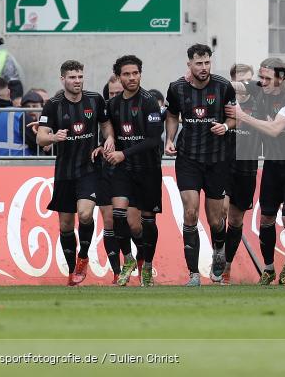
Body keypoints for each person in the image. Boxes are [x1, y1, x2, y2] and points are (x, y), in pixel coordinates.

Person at [231, 58, 285, 286]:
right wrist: (202, 78)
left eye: (267, 78)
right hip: (273, 164)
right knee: (266, 217)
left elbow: (275, 128)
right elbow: (234, 85)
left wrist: (244, 116)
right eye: (261, 77)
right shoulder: (260, 89)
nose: (263, 82)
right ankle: (267, 268)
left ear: (281, 77)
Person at [165, 44, 236, 287]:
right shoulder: (177, 88)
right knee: (191, 212)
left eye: (207, 63)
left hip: (217, 160)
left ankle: (219, 249)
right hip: (188, 159)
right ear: (189, 64)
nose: (204, 68)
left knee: (217, 220)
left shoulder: (223, 86)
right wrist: (170, 139)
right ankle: (193, 273)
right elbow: (173, 115)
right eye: (199, 63)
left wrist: (225, 127)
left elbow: (233, 116)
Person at [35, 60, 112, 286]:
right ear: (63, 79)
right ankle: (72, 272)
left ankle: (83, 257)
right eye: (72, 77)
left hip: (89, 168)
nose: (77, 81)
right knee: (66, 225)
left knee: (86, 214)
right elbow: (41, 137)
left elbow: (106, 124)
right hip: (65, 171)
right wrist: (53, 137)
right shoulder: (53, 105)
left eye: (79, 77)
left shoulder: (94, 99)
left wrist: (109, 138)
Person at [104, 55, 164, 287]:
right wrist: (107, 140)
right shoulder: (113, 104)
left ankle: (147, 265)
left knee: (147, 221)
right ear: (119, 77)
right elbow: (106, 127)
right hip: (124, 169)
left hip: (148, 169)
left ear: (140, 74)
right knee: (117, 215)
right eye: (127, 74)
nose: (132, 78)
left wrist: (123, 153)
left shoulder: (149, 101)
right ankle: (128, 259)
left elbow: (152, 139)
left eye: (135, 73)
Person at [219, 62, 263, 285]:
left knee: (236, 220)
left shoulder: (260, 102)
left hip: (248, 168)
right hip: (225, 164)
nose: (243, 85)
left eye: (247, 80)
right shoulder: (225, 101)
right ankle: (218, 254)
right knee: (221, 210)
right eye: (239, 80)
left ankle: (227, 265)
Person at [98, 74, 127, 284]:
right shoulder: (100, 112)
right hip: (105, 170)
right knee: (109, 220)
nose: (114, 97)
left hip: (130, 169)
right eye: (111, 93)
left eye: (118, 92)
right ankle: (117, 272)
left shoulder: (134, 109)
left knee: (132, 223)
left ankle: (139, 262)